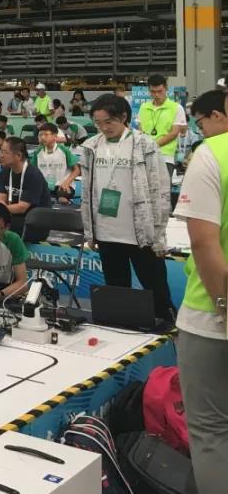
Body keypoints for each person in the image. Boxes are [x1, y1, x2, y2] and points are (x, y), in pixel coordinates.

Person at [173, 88, 228, 494]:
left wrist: (224, 305)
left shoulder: (211, 155)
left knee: (210, 431)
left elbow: (205, 243)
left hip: (211, 316)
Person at [78, 93, 173, 322]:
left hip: (141, 232)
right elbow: (87, 193)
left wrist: (159, 236)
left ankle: (168, 327)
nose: (104, 128)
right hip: (107, 231)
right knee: (117, 291)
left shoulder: (144, 144)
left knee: (156, 289)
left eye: (109, 121)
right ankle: (124, 329)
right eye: (98, 123)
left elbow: (159, 190)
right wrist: (90, 231)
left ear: (123, 117)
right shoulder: (91, 146)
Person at [0, 137, 51, 236]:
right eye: (0, 151)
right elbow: (0, 198)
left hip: (36, 222)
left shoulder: (33, 175)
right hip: (13, 216)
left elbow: (22, 208)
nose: (1, 156)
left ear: (18, 155)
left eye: (5, 152)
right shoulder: (5, 172)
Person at [137, 73, 187, 176]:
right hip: (144, 157)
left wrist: (153, 146)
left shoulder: (176, 108)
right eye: (153, 92)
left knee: (163, 186)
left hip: (165, 156)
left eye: (160, 91)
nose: (156, 95)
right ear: (148, 90)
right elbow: (140, 130)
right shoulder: (143, 107)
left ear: (166, 88)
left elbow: (174, 133)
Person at [30, 124, 80, 203]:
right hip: (45, 186)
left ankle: (65, 202)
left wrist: (67, 182)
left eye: (46, 134)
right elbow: (32, 170)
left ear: (55, 136)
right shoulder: (38, 152)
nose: (43, 137)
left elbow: (77, 170)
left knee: (62, 199)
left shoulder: (64, 150)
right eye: (40, 135)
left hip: (63, 185)